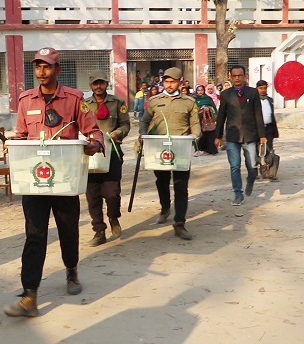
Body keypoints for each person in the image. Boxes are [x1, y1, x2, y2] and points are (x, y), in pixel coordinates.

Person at [4, 48, 104, 317]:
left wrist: (94, 144)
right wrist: (15, 142)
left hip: (65, 179)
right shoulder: (25, 100)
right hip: (35, 180)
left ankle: (71, 271)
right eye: (38, 67)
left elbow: (92, 130)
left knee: (68, 230)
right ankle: (30, 294)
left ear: (57, 70)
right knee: (34, 236)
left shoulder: (73, 98)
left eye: (47, 67)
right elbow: (23, 134)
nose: (41, 72)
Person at [140, 67, 200, 241]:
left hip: (180, 147)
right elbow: (144, 120)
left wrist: (195, 135)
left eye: (173, 81)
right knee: (162, 181)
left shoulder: (189, 102)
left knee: (181, 186)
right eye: (166, 81)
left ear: (180, 82)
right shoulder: (154, 101)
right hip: (159, 149)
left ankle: (180, 223)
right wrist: (143, 134)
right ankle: (165, 207)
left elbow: (195, 124)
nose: (169, 84)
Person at [83, 71, 131, 247]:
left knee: (111, 193)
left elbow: (126, 124)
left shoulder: (117, 103)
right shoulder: (84, 105)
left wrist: (117, 133)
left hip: (112, 153)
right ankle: (99, 230)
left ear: (106, 83)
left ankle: (113, 216)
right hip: (90, 154)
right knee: (92, 195)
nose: (98, 86)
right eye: (95, 83)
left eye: (101, 83)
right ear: (90, 85)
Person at [215, 65, 266, 206]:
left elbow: (258, 114)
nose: (237, 78)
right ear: (230, 77)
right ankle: (238, 193)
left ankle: (250, 180)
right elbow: (221, 116)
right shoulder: (225, 94)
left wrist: (262, 135)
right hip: (232, 136)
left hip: (250, 135)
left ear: (245, 76)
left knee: (251, 166)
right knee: (235, 166)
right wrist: (218, 136)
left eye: (240, 75)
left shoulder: (253, 93)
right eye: (234, 76)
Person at [256, 80, 279, 181]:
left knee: (269, 150)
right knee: (257, 151)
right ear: (257, 89)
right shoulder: (253, 100)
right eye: (261, 88)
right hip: (256, 129)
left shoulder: (270, 100)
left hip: (269, 128)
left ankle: (269, 173)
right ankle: (256, 172)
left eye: (265, 88)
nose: (263, 90)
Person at [194, 84, 218, 156]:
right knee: (200, 134)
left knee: (210, 133)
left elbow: (213, 107)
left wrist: (209, 109)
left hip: (208, 120)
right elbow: (193, 109)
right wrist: (200, 109)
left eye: (202, 90)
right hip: (198, 119)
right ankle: (199, 149)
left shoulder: (208, 98)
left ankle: (210, 149)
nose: (200, 92)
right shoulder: (194, 99)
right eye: (199, 90)